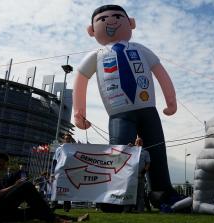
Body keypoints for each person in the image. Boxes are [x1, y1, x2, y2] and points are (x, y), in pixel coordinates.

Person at [72, 4, 178, 205]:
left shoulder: (141, 50)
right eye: (103, 20)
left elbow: (160, 72)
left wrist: (170, 100)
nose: (111, 21)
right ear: (91, 30)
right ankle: (115, 194)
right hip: (119, 113)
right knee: (119, 153)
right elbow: (81, 79)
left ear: (131, 23)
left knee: (157, 150)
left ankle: (162, 191)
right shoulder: (97, 55)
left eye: (117, 17)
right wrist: (79, 112)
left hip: (148, 109)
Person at [0, 150, 89, 222]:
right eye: (0, 165)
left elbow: (2, 196)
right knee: (26, 186)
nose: (2, 168)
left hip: (0, 212)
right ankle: (56, 220)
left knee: (37, 210)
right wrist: (15, 187)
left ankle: (71, 219)